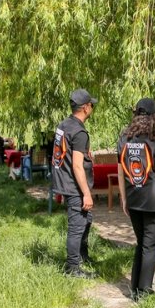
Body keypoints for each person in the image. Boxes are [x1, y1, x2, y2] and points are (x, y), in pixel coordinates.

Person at [117, 98, 155, 300]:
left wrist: (124, 199)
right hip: (153, 201)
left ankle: (135, 288)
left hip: (134, 198)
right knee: (150, 246)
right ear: (154, 116)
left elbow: (120, 171)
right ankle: (144, 292)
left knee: (142, 242)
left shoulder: (124, 139)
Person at [52, 89, 98, 278]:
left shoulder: (64, 124)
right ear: (86, 107)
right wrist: (86, 193)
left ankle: (82, 256)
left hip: (64, 182)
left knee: (86, 220)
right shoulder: (79, 132)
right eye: (91, 105)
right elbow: (77, 167)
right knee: (76, 226)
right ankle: (72, 268)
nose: (92, 108)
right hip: (74, 186)